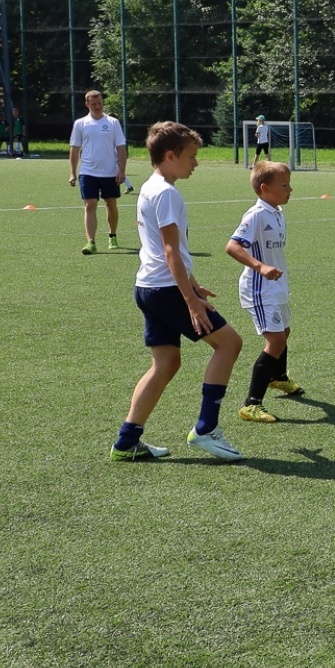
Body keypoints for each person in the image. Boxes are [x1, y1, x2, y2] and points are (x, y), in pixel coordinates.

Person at [109, 121, 244, 461]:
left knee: (166, 363)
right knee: (229, 344)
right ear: (170, 156)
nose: (195, 163)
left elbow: (166, 249)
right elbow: (169, 251)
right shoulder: (167, 193)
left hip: (149, 286)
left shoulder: (151, 187)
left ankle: (127, 442)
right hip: (167, 289)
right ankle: (205, 429)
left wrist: (193, 282)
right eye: (191, 156)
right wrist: (191, 301)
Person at [227, 160, 302, 423]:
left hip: (277, 285)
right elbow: (233, 246)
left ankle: (278, 377)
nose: (290, 189)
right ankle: (251, 404)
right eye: (284, 185)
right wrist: (260, 267)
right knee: (276, 341)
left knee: (285, 332)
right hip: (260, 288)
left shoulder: (277, 211)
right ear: (264, 188)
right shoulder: (256, 215)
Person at [68, 89, 129, 254]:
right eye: (93, 104)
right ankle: (91, 242)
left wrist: (122, 170)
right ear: (87, 104)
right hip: (88, 172)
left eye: (100, 103)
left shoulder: (112, 123)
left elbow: (121, 147)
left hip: (110, 172)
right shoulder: (80, 124)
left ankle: (112, 235)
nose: (97, 106)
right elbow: (74, 149)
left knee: (111, 204)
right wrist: (73, 172)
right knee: (90, 205)